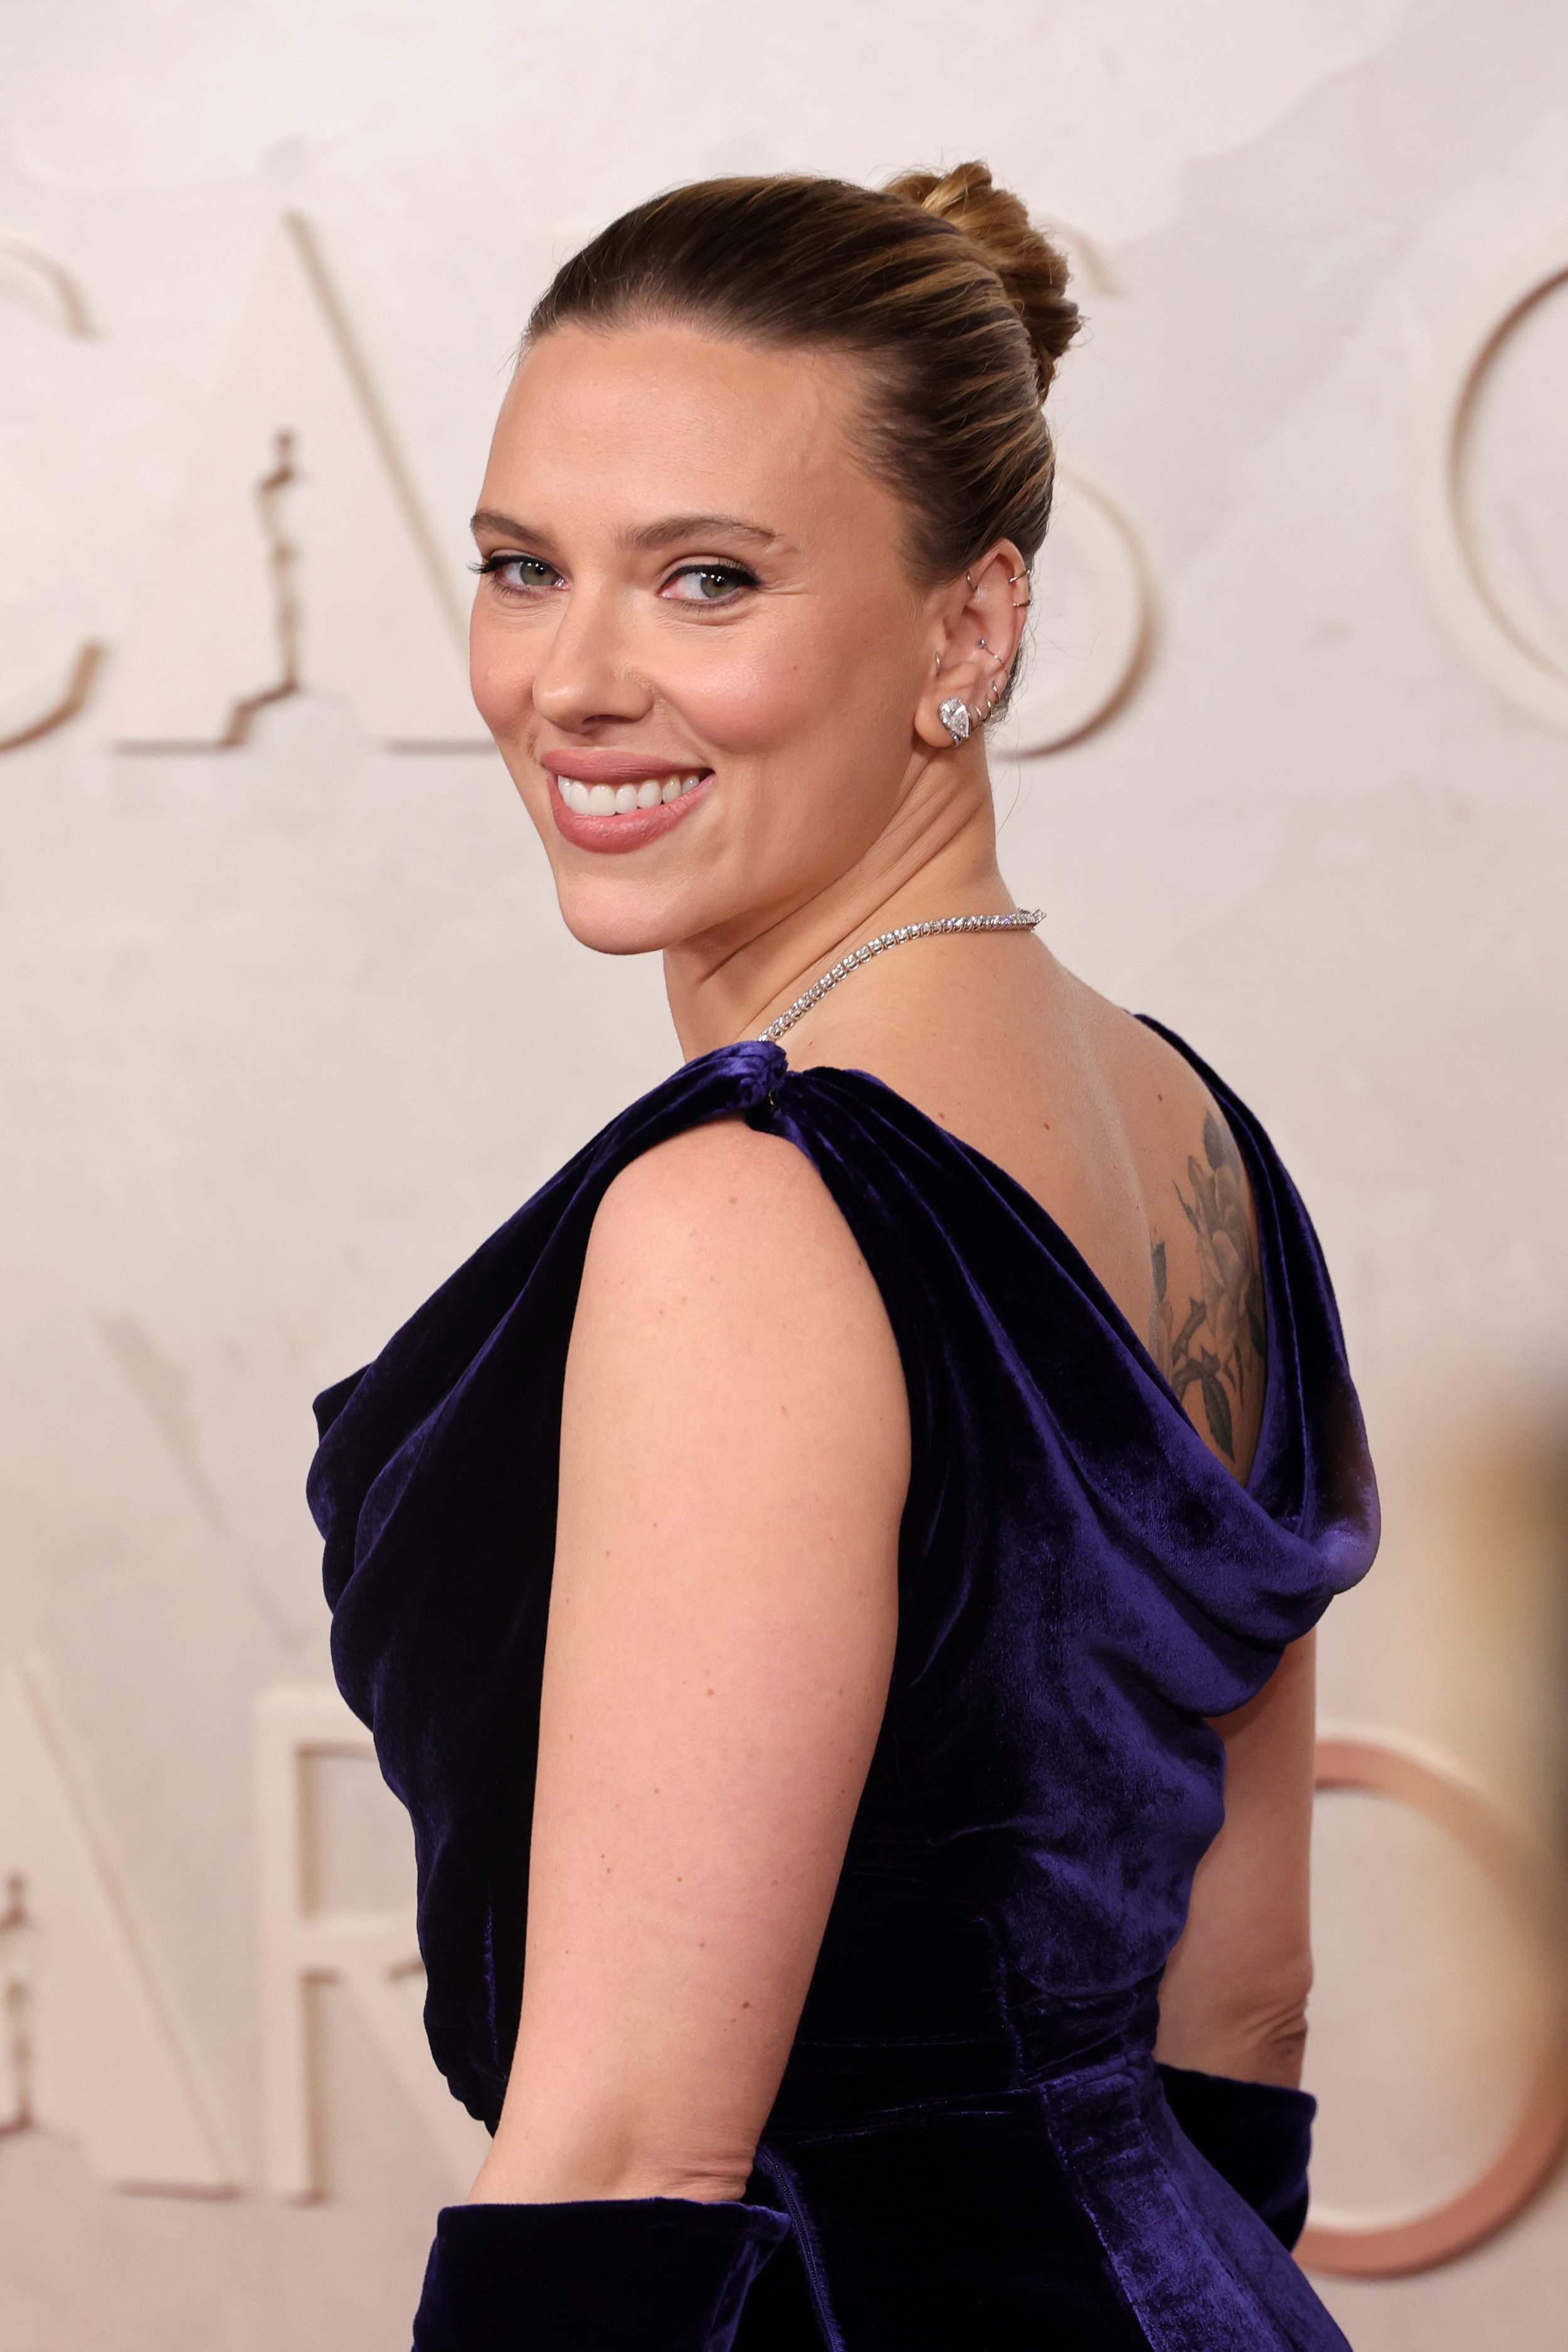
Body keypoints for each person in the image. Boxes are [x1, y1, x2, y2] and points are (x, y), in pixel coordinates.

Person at [309, 164, 1379, 2350]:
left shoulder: (743, 1210)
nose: (573, 681)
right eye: (526, 570)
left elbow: (620, 2159)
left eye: (706, 580)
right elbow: (1241, 2008)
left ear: (970, 628)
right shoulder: (1188, 1127)